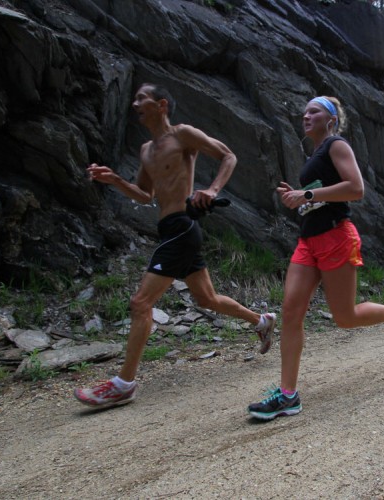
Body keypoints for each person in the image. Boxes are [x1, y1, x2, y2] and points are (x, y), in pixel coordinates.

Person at [74, 83, 276, 409]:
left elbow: (228, 155)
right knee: (206, 298)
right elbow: (145, 195)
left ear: (161, 105)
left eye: (143, 98)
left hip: (183, 226)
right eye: (135, 98)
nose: (135, 103)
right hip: (168, 228)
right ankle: (262, 320)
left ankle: (123, 384)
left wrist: (211, 189)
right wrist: (114, 180)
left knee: (141, 302)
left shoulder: (182, 135)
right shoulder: (145, 150)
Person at [247, 96, 384, 421]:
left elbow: (355, 188)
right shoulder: (314, 156)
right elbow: (321, 197)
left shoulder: (337, 145)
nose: (305, 115)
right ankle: (287, 395)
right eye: (305, 111)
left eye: (314, 111)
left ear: (332, 119)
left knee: (345, 317)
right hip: (308, 241)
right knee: (291, 312)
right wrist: (298, 199)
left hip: (337, 237)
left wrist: (307, 194)